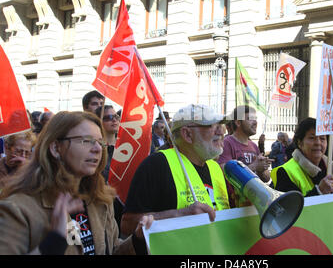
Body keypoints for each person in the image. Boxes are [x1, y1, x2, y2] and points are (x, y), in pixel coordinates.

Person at [0, 111, 153, 254]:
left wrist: (137, 239)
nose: (97, 149)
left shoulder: (100, 200)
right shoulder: (17, 209)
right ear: (55, 148)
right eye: (86, 140)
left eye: (100, 142)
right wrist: (53, 243)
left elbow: (111, 249)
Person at [120, 104, 230, 236]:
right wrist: (179, 215)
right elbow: (127, 225)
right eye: (213, 126)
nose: (221, 132)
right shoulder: (156, 164)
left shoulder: (215, 168)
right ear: (187, 134)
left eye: (221, 126)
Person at [271, 118, 333, 198]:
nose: (318, 143)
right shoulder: (285, 172)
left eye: (322, 138)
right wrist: (318, 191)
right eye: (312, 138)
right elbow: (290, 210)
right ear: (300, 143)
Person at [217, 105, 273, 208]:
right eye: (250, 119)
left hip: (252, 205)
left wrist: (263, 169)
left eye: (255, 119)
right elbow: (223, 172)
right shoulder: (227, 143)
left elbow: (266, 178)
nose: (255, 122)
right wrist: (255, 166)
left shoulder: (254, 146)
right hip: (234, 206)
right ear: (238, 122)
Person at [95, 105, 119, 182]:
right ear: (99, 121)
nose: (114, 120)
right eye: (109, 118)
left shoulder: (125, 144)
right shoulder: (95, 148)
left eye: (116, 116)